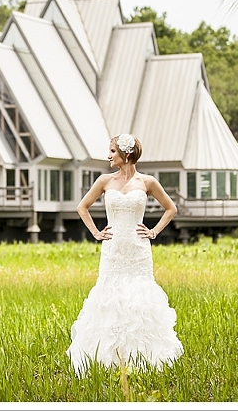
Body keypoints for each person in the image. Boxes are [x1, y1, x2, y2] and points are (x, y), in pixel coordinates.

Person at [66, 133, 184, 376]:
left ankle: (142, 356)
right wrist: (97, 233)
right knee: (110, 296)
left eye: (112, 151)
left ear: (126, 154)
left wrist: (153, 231)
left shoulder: (148, 182)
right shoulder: (104, 181)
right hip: (113, 249)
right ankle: (107, 355)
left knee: (139, 297)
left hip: (138, 249)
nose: (108, 156)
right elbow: (82, 207)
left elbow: (171, 208)